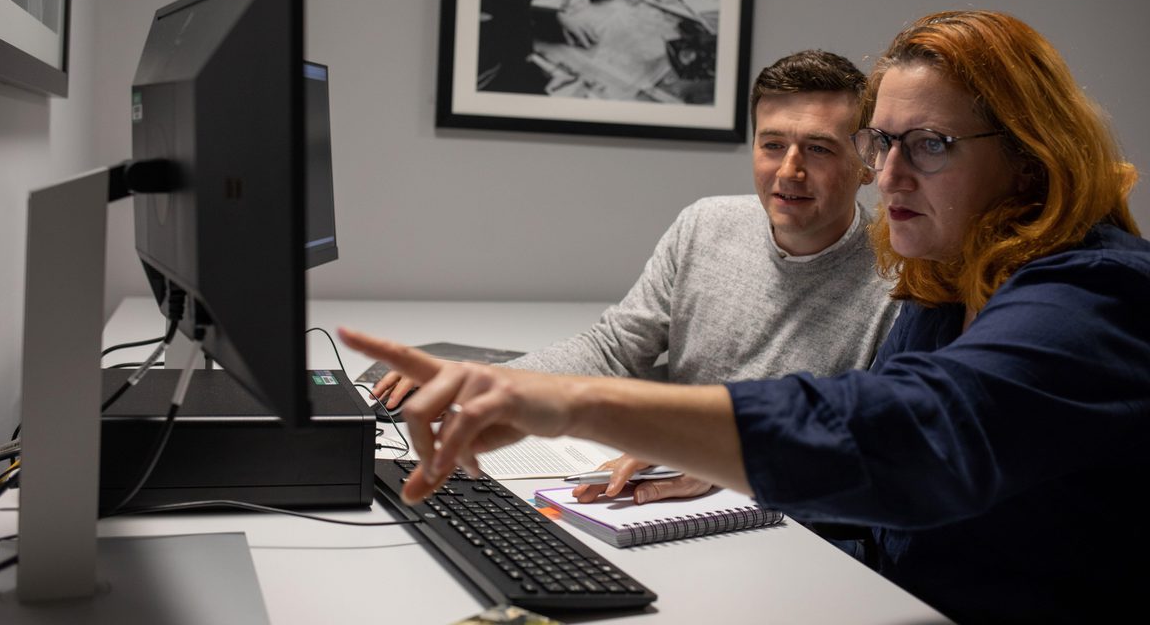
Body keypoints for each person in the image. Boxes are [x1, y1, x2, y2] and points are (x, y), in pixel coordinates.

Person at [341, 10, 1150, 623]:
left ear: (1028, 156)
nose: (892, 175)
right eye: (883, 143)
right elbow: (892, 489)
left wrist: (570, 401)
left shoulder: (1100, 294)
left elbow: (921, 434)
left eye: (930, 143)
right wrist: (729, 466)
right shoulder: (945, 276)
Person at [374, 50, 901, 503]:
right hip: (656, 484)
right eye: (772, 145)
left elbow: (876, 450)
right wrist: (488, 382)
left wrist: (730, 465)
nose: (789, 169)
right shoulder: (706, 224)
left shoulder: (898, 284)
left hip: (781, 512)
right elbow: (613, 348)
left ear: (865, 162)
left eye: (818, 148)